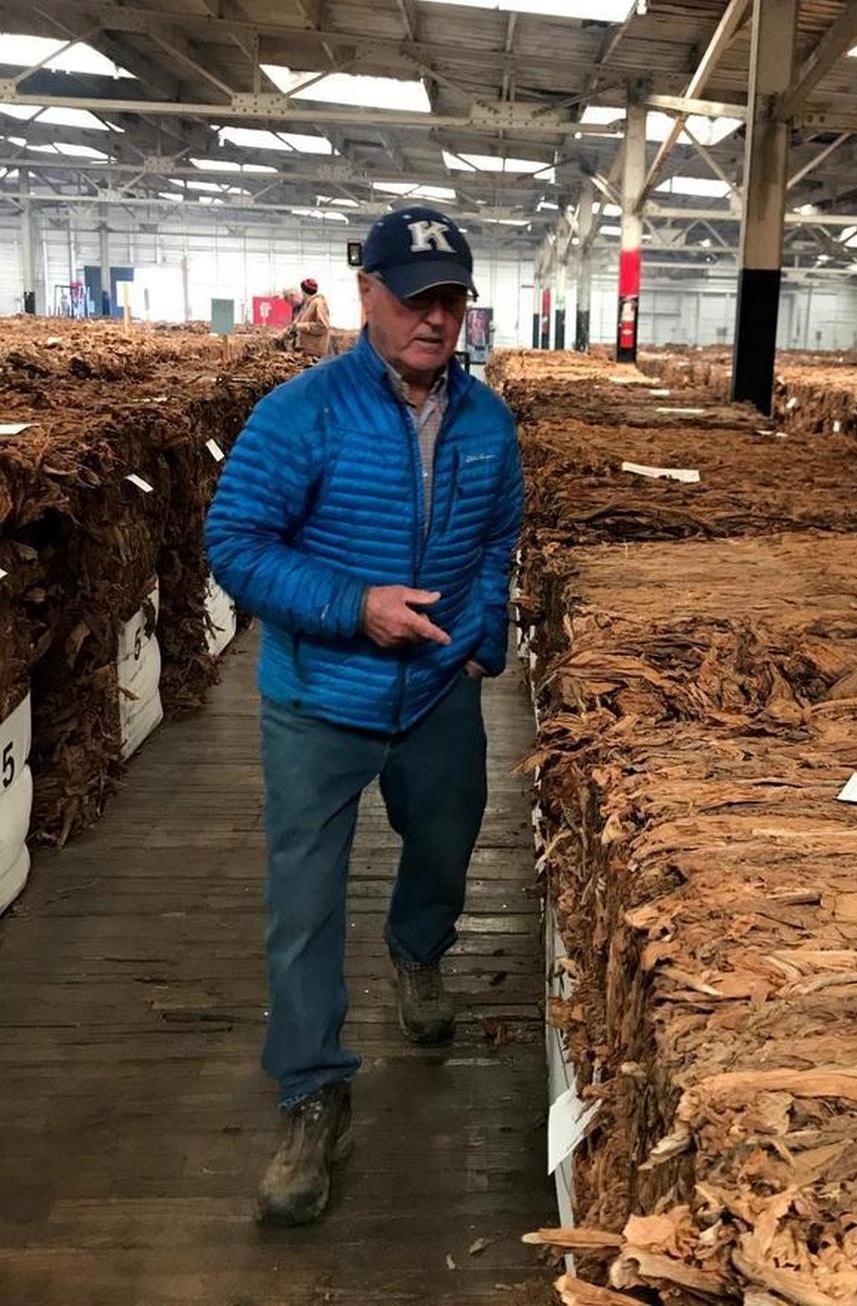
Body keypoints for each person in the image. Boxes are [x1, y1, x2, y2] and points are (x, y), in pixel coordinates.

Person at [205, 206, 524, 1228]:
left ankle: (418, 949)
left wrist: (480, 631)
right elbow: (237, 541)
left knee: (445, 842)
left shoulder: (487, 421)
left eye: (451, 299)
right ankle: (312, 1093)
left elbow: (498, 538)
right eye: (415, 297)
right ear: (367, 297)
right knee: (302, 906)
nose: (435, 318)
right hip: (319, 701)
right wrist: (354, 607)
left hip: (436, 694)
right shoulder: (303, 413)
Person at [292, 276, 331, 358]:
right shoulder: (308, 304)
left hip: (314, 352)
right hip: (308, 351)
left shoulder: (318, 303)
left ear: (304, 291)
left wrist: (301, 326)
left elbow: (323, 326)